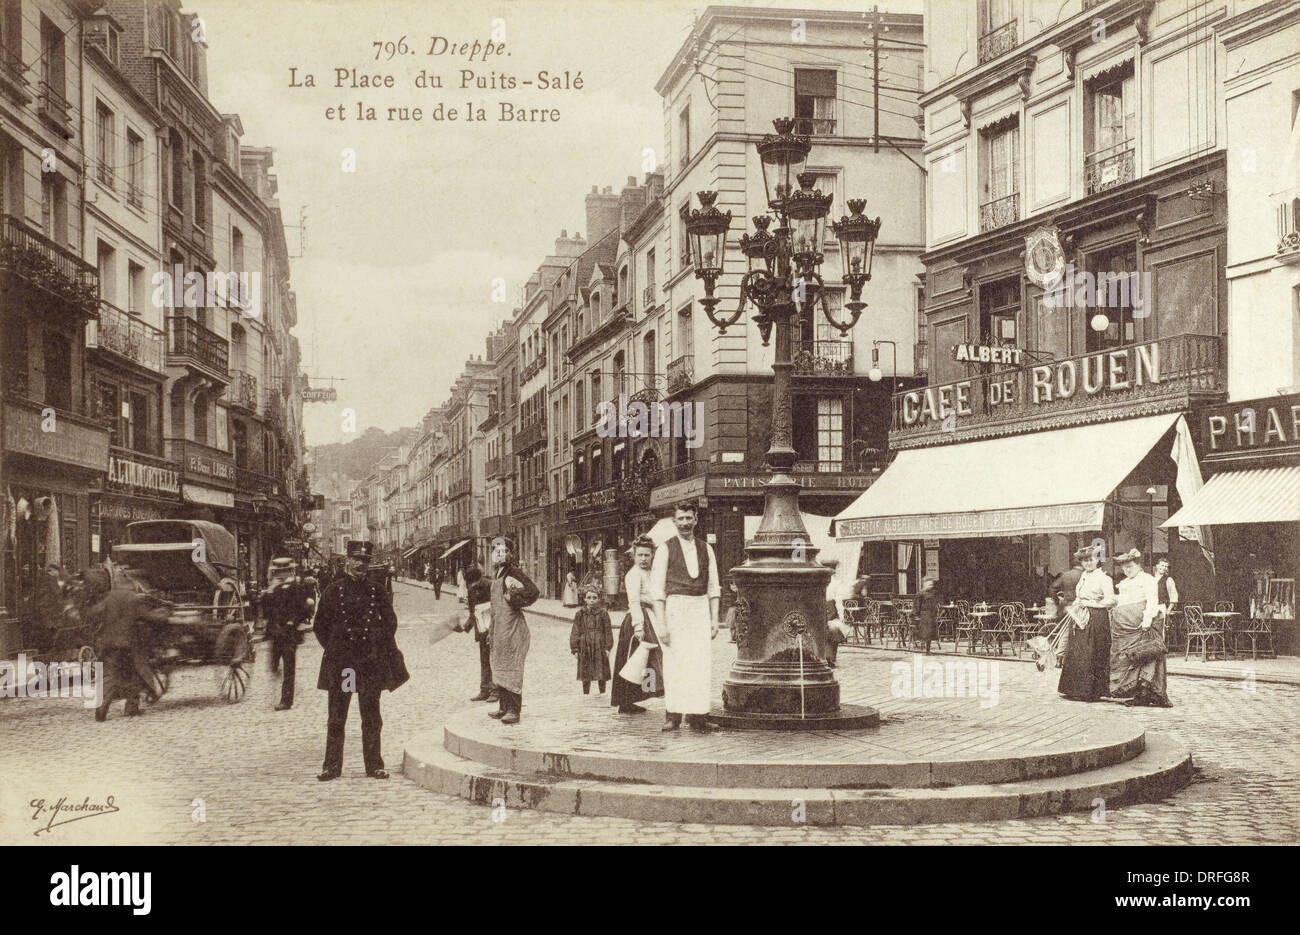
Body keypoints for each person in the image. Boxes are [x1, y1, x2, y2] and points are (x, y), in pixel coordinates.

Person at [314, 539, 408, 780]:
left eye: (365, 560)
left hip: (369, 664)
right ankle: (331, 766)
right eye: (357, 559)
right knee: (337, 716)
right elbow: (320, 626)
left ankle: (374, 764)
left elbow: (390, 623)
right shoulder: (333, 591)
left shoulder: (377, 591)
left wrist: (377, 646)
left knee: (371, 716)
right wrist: (336, 649)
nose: (361, 565)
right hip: (345, 666)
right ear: (348, 561)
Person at [649, 501, 721, 732]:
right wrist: (661, 624)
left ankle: (698, 715)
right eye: (680, 519)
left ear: (696, 519)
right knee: (675, 663)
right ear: (674, 522)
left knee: (700, 663)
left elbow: (714, 587)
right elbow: (657, 592)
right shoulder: (665, 549)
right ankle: (673, 715)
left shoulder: (706, 548)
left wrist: (714, 619)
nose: (685, 523)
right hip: (675, 610)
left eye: (689, 518)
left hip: (699, 608)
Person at [89, 564, 172, 721]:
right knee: (134, 675)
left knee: (109, 677)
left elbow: (96, 612)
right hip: (128, 645)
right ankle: (131, 708)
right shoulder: (133, 598)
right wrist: (165, 617)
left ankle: (101, 710)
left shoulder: (110, 597)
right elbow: (146, 616)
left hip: (109, 644)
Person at [485, 536, 540, 724]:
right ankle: (503, 706)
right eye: (497, 551)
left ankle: (514, 711)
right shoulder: (498, 573)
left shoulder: (513, 571)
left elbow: (533, 592)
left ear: (511, 553)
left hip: (513, 629)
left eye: (504, 550)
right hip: (499, 628)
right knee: (500, 666)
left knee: (513, 668)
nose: (501, 554)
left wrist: (514, 598)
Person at [1110, 549, 1172, 707]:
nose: (1127, 570)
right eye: (1124, 567)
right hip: (1124, 628)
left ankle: (1146, 694)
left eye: (1130, 566)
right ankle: (1136, 693)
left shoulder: (1147, 579)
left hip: (1141, 626)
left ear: (1138, 565)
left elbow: (1152, 600)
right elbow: (1123, 601)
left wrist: (1147, 620)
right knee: (1130, 659)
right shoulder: (1124, 583)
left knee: (1145, 657)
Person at [611, 536, 664, 714]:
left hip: (651, 617)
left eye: (647, 555)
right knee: (632, 661)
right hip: (638, 619)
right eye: (640, 555)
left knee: (646, 662)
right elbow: (634, 601)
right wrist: (639, 627)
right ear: (633, 555)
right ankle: (625, 702)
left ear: (653, 555)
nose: (643, 559)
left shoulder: (653, 572)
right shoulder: (633, 574)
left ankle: (633, 699)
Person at [1057, 546, 1116, 702]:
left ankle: (1092, 691)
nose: (1088, 563)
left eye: (1091, 560)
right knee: (1078, 652)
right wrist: (1076, 605)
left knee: (1093, 652)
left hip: (1097, 619)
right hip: (1081, 617)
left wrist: (1091, 604)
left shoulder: (1104, 578)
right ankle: (1074, 689)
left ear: (1097, 560)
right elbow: (1079, 595)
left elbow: (1111, 600)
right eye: (1085, 560)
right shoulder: (1083, 576)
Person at [262, 557, 313, 711]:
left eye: (284, 571)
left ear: (289, 571)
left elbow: (303, 609)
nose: (281, 575)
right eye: (278, 572)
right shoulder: (273, 589)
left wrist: (293, 621)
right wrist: (268, 593)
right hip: (276, 633)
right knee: (274, 665)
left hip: (290, 633)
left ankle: (286, 700)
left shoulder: (297, 588)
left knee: (289, 667)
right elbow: (265, 611)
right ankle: (279, 681)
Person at [570, 583, 613, 694]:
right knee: (585, 669)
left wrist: (608, 647)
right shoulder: (580, 614)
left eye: (594, 598)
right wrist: (575, 648)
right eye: (589, 598)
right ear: (584, 599)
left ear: (598, 599)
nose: (592, 600)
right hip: (585, 645)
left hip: (599, 644)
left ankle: (602, 691)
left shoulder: (603, 614)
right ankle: (586, 693)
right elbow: (575, 631)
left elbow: (608, 631)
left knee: (601, 669)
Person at [463, 564, 497, 703]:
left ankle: (496, 691)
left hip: (493, 629)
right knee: (484, 660)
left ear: (479, 579)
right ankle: (484, 690)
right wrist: (465, 626)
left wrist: (493, 629)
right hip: (481, 629)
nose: (472, 588)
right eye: (470, 585)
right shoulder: (471, 589)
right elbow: (473, 612)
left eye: (474, 584)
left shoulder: (491, 586)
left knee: (494, 661)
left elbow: (498, 609)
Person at [915, 576, 940, 655]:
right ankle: (926, 650)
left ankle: (927, 650)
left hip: (931, 614)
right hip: (924, 615)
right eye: (929, 584)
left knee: (930, 633)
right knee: (926, 633)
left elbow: (935, 603)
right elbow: (917, 605)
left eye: (931, 584)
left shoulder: (933, 593)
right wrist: (916, 614)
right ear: (924, 584)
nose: (931, 586)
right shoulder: (920, 594)